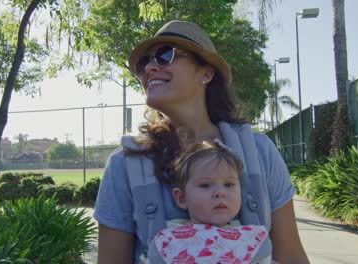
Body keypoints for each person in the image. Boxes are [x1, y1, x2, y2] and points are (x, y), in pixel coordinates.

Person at [94, 20, 309, 264]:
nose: (149, 68)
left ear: (205, 73)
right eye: (145, 63)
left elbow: (291, 255)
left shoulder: (260, 152)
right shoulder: (125, 163)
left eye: (165, 55)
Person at [141, 140, 269, 263]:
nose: (220, 192)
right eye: (206, 185)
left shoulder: (249, 239)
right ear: (181, 198)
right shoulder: (169, 241)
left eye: (229, 184)